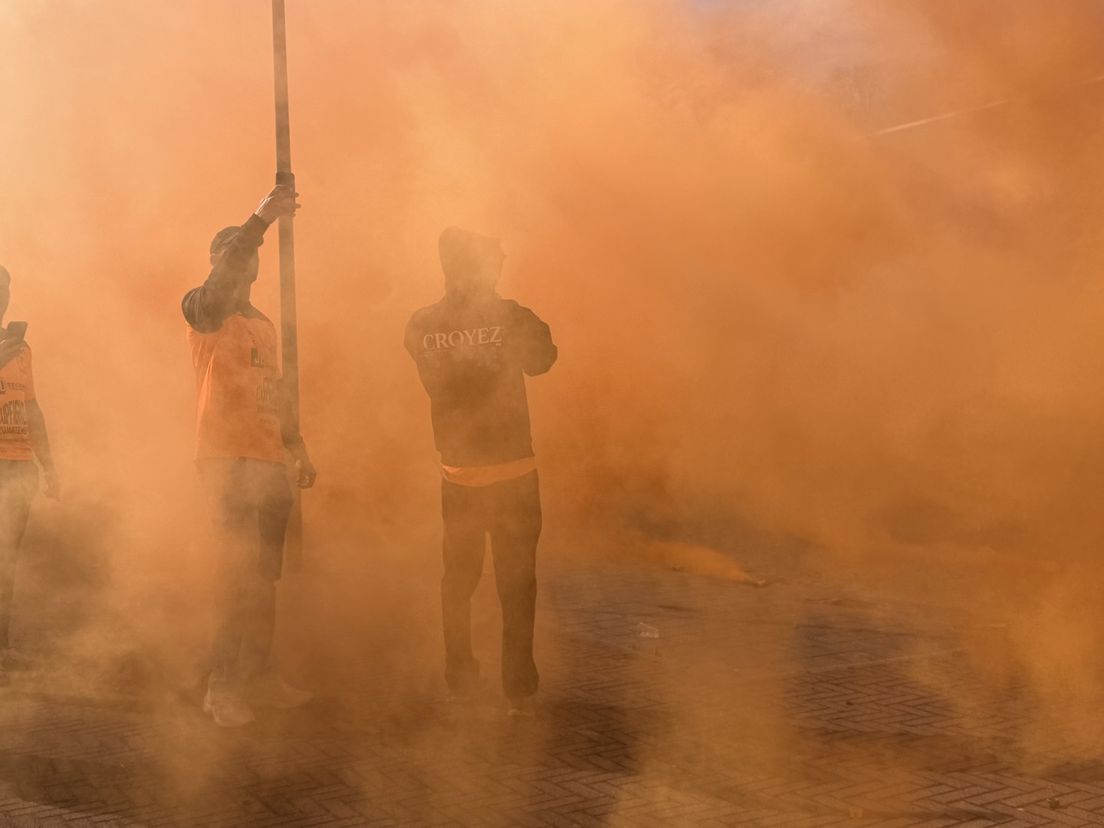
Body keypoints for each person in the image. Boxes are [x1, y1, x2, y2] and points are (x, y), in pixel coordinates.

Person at [404, 227, 557, 716]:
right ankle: (518, 690)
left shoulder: (421, 324)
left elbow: (439, 380)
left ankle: (460, 679)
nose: (498, 270)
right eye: (492, 262)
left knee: (458, 581)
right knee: (516, 584)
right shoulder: (511, 317)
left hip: (459, 476)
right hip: (513, 473)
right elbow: (543, 361)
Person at [181, 185, 317, 727]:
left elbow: (276, 393)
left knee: (264, 578)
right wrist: (261, 218)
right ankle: (221, 687)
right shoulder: (202, 310)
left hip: (267, 465)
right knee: (236, 577)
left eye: (249, 254)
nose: (247, 261)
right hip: (227, 463)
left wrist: (297, 447)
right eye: (236, 253)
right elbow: (225, 273)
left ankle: (258, 675)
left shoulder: (262, 322)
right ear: (218, 264)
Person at [0, 266, 60, 683]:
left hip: (19, 464)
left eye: (4, 289)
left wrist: (49, 464)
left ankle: (1, 649)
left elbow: (32, 406)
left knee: (8, 560)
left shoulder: (20, 348)